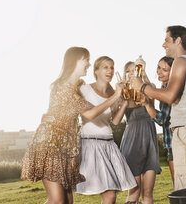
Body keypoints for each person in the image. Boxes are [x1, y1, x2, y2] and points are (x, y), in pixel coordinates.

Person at [21, 47, 123, 204]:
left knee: (68, 201)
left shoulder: (77, 86)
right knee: (57, 200)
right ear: (76, 60)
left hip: (65, 149)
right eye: (86, 59)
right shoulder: (64, 87)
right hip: (50, 145)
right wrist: (116, 95)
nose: (89, 64)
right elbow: (89, 113)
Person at [130, 25, 186, 191]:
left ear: (178, 40)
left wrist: (142, 87)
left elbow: (169, 95)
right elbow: (172, 94)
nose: (163, 45)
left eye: (166, 40)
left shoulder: (181, 61)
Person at [75, 56, 137, 204]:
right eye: (105, 67)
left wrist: (124, 101)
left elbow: (115, 121)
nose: (110, 70)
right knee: (109, 195)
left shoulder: (112, 93)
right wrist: (116, 95)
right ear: (96, 71)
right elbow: (90, 115)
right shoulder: (85, 89)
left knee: (110, 195)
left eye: (112, 67)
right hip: (91, 145)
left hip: (109, 145)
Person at [120, 60, 161, 204]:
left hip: (149, 141)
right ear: (125, 74)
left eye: (134, 70)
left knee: (148, 193)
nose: (132, 73)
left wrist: (144, 73)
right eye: (128, 71)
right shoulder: (124, 94)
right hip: (132, 142)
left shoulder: (149, 88)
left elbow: (153, 94)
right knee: (134, 192)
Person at [143, 56, 175, 187]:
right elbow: (152, 92)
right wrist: (144, 74)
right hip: (172, 144)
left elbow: (161, 119)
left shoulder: (168, 90)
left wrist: (146, 104)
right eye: (158, 67)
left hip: (176, 144)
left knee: (181, 186)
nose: (159, 72)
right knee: (179, 185)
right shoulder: (166, 87)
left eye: (165, 70)